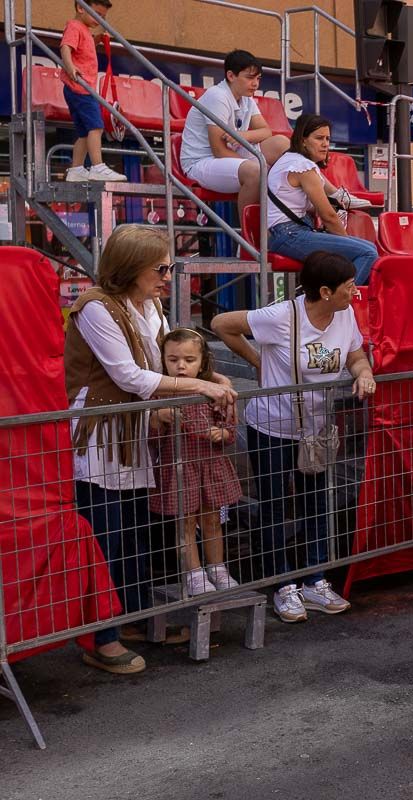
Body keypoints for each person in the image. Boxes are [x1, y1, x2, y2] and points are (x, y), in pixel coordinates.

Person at [65, 224, 237, 674]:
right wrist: (196, 382)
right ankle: (101, 637)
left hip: (134, 432)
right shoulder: (96, 308)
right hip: (101, 436)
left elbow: (165, 359)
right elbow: (128, 376)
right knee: (105, 536)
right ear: (131, 267)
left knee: (133, 533)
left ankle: (133, 619)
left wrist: (212, 374)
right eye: (161, 267)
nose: (168, 274)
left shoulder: (149, 305)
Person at [212, 251, 375, 623]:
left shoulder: (345, 314)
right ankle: (283, 586)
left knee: (316, 502)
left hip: (315, 429)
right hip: (272, 425)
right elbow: (222, 323)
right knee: (274, 505)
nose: (356, 293)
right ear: (325, 291)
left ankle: (315, 580)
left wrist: (363, 372)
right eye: (349, 287)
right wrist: (257, 361)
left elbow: (355, 355)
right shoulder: (281, 316)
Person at [148, 329, 243, 595]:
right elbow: (153, 439)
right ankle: (194, 573)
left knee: (212, 519)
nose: (181, 366)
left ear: (202, 362)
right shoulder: (161, 393)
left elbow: (230, 429)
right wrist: (158, 419)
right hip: (178, 468)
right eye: (173, 359)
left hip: (210, 466)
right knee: (186, 522)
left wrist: (222, 433)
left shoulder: (213, 392)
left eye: (189, 360)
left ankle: (218, 569)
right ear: (163, 360)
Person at [262, 113, 379, 285]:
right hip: (289, 235)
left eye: (327, 139)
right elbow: (328, 216)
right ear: (303, 140)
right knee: (368, 253)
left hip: (286, 233)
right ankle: (338, 303)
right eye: (319, 138)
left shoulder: (290, 160)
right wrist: (344, 243)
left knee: (371, 248)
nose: (325, 144)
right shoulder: (303, 167)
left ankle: (336, 296)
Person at [179, 49, 291, 213]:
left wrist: (242, 136)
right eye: (250, 78)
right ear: (231, 76)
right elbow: (219, 151)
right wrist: (260, 166)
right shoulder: (217, 96)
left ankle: (327, 197)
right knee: (256, 172)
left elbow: (266, 131)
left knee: (282, 143)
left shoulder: (247, 98)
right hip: (200, 162)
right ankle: (251, 235)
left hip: (232, 154)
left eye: (258, 78)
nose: (255, 84)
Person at [60, 0, 126, 183]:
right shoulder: (74, 26)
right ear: (81, 8)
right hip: (81, 88)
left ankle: (76, 169)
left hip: (80, 88)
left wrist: (96, 40)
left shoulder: (85, 31)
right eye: (96, 14)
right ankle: (98, 166)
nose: (99, 19)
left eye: (103, 17)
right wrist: (70, 66)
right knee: (96, 127)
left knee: (83, 132)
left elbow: (82, 48)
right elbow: (66, 47)